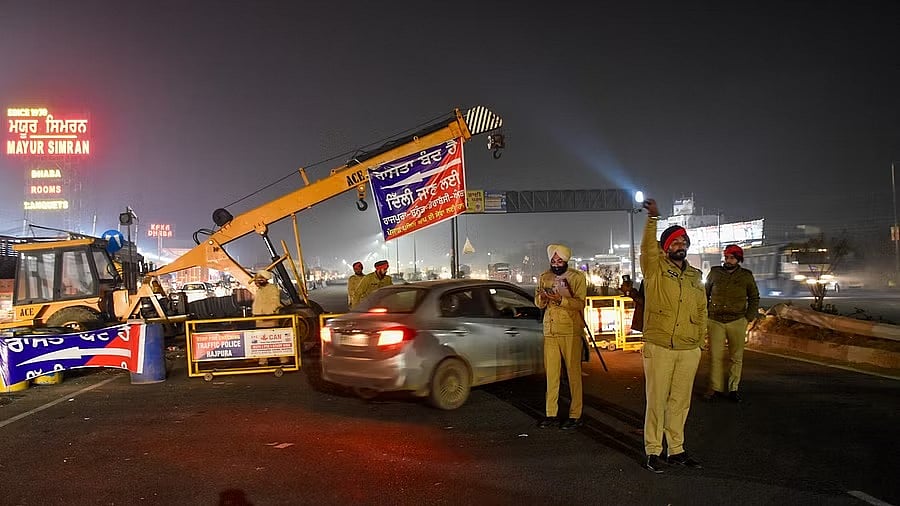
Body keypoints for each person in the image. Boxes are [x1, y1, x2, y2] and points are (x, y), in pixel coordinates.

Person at [639, 198, 707, 473]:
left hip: (688, 349)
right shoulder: (655, 270)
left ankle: (676, 449)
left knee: (680, 402)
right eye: (675, 242)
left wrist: (700, 342)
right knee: (656, 400)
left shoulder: (694, 275)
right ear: (666, 248)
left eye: (683, 241)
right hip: (660, 345)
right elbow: (646, 250)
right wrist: (653, 220)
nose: (680, 245)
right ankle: (654, 450)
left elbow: (702, 309)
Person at [534, 244, 587, 430]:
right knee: (552, 375)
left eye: (560, 260)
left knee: (573, 374)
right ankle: (551, 414)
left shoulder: (576, 277)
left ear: (566, 261)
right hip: (550, 330)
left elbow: (580, 303)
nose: (556, 264)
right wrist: (543, 297)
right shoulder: (544, 277)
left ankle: (575, 414)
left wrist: (560, 299)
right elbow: (538, 304)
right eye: (553, 261)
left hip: (570, 330)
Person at [704, 244, 759, 403]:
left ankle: (733, 388)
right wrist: (706, 314)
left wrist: (748, 317)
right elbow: (705, 294)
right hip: (715, 320)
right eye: (727, 257)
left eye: (732, 257)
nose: (728, 260)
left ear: (738, 259)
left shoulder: (746, 276)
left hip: (737, 320)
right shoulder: (715, 273)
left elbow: (754, 297)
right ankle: (715, 388)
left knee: (736, 357)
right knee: (715, 356)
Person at [251, 270, 284, 365]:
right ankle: (263, 360)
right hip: (260, 319)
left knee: (274, 341)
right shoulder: (260, 290)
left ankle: (283, 359)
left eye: (259, 279)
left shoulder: (272, 289)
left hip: (268, 319)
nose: (256, 282)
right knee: (263, 342)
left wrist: (267, 315)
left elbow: (274, 303)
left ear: (265, 280)